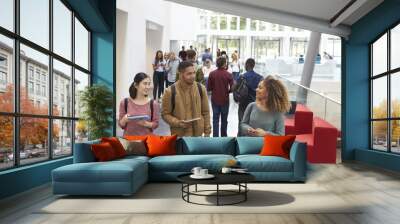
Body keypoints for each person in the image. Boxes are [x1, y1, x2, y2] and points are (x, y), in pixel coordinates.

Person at [161, 61, 211, 137]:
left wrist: (207, 132)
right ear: (180, 74)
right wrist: (177, 122)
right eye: (189, 74)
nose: (193, 76)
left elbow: (206, 112)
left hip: (198, 136)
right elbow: (165, 114)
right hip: (179, 136)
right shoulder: (170, 91)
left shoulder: (201, 88)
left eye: (194, 73)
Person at [207, 57, 234, 137]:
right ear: (224, 64)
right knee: (224, 119)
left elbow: (208, 88)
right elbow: (233, 88)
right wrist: (228, 91)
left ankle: (215, 137)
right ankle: (224, 136)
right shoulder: (228, 74)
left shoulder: (212, 74)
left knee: (215, 119)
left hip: (214, 99)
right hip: (225, 99)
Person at [236, 58, 263, 124]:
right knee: (253, 123)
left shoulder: (242, 76)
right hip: (255, 103)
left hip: (243, 103)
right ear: (253, 65)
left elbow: (235, 88)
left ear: (247, 65)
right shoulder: (260, 77)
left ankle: (241, 133)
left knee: (242, 121)